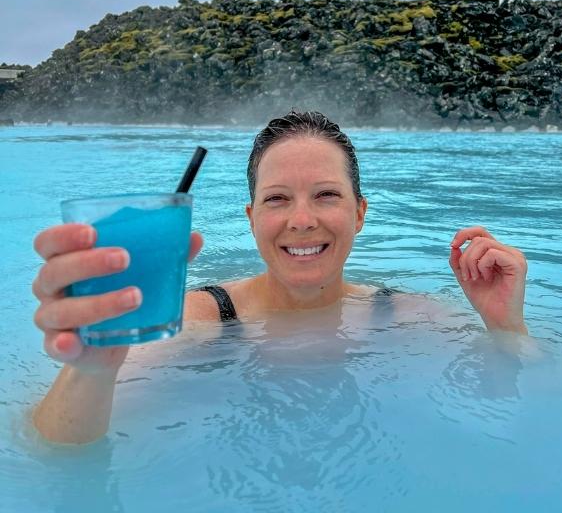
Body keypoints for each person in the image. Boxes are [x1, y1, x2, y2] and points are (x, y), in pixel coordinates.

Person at [29, 110, 528, 443]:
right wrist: (93, 368)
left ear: (360, 213)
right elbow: (56, 447)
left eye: (327, 195)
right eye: (277, 198)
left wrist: (506, 326)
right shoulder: (199, 320)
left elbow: (535, 402)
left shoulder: (405, 315)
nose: (302, 219)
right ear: (250, 217)